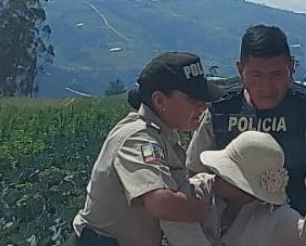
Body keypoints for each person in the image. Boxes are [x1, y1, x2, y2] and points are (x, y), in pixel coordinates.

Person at [187, 24, 306, 215]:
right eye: (256, 75)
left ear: (291, 66)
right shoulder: (219, 109)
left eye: (276, 74)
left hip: (294, 225)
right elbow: (193, 173)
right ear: (240, 69)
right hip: (229, 228)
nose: (267, 86)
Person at [70, 51, 225, 246]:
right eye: (193, 101)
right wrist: (207, 209)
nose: (203, 107)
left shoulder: (163, 136)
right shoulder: (139, 138)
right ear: (160, 101)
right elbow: (161, 203)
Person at [160, 131, 306, 246]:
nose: (216, 174)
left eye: (225, 173)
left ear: (246, 187)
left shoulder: (274, 217)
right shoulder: (200, 189)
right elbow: (173, 218)